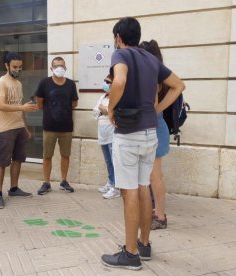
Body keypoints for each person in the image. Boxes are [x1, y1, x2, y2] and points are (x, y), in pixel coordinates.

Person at [101, 17, 185, 270]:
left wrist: (111, 108)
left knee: (129, 193)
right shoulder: (151, 59)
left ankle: (130, 254)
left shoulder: (121, 55)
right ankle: (145, 244)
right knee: (143, 187)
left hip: (128, 134)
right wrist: (156, 108)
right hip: (150, 132)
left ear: (118, 37)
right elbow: (178, 85)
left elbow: (119, 81)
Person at [0, 51, 37, 209]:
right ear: (6, 66)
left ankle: (14, 188)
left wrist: (25, 127)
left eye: (20, 67)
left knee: (18, 159)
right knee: (2, 162)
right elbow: (2, 106)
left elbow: (20, 108)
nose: (18, 69)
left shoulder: (18, 84)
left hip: (19, 127)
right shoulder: (0, 83)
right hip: (5, 129)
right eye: (15, 67)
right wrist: (22, 107)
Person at [139, 40, 171, 230]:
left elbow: (152, 104)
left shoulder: (154, 76)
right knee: (154, 175)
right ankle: (157, 211)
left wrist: (157, 109)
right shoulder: (159, 72)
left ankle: (160, 216)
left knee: (155, 176)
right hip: (157, 126)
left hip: (155, 128)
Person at [35, 57, 79, 195]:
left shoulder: (71, 84)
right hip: (49, 127)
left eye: (62, 66)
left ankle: (64, 181)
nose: (59, 68)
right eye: (56, 65)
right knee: (47, 156)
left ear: (65, 68)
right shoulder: (44, 83)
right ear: (51, 68)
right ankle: (46, 182)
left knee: (65, 155)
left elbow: (74, 103)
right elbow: (39, 103)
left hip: (66, 127)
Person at [93, 74, 119, 199]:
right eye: (105, 81)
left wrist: (105, 110)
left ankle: (116, 187)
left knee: (114, 161)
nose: (106, 84)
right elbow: (95, 110)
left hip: (112, 133)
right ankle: (110, 182)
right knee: (108, 161)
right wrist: (105, 110)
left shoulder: (117, 97)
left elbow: (112, 112)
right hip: (102, 132)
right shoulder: (102, 96)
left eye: (108, 82)